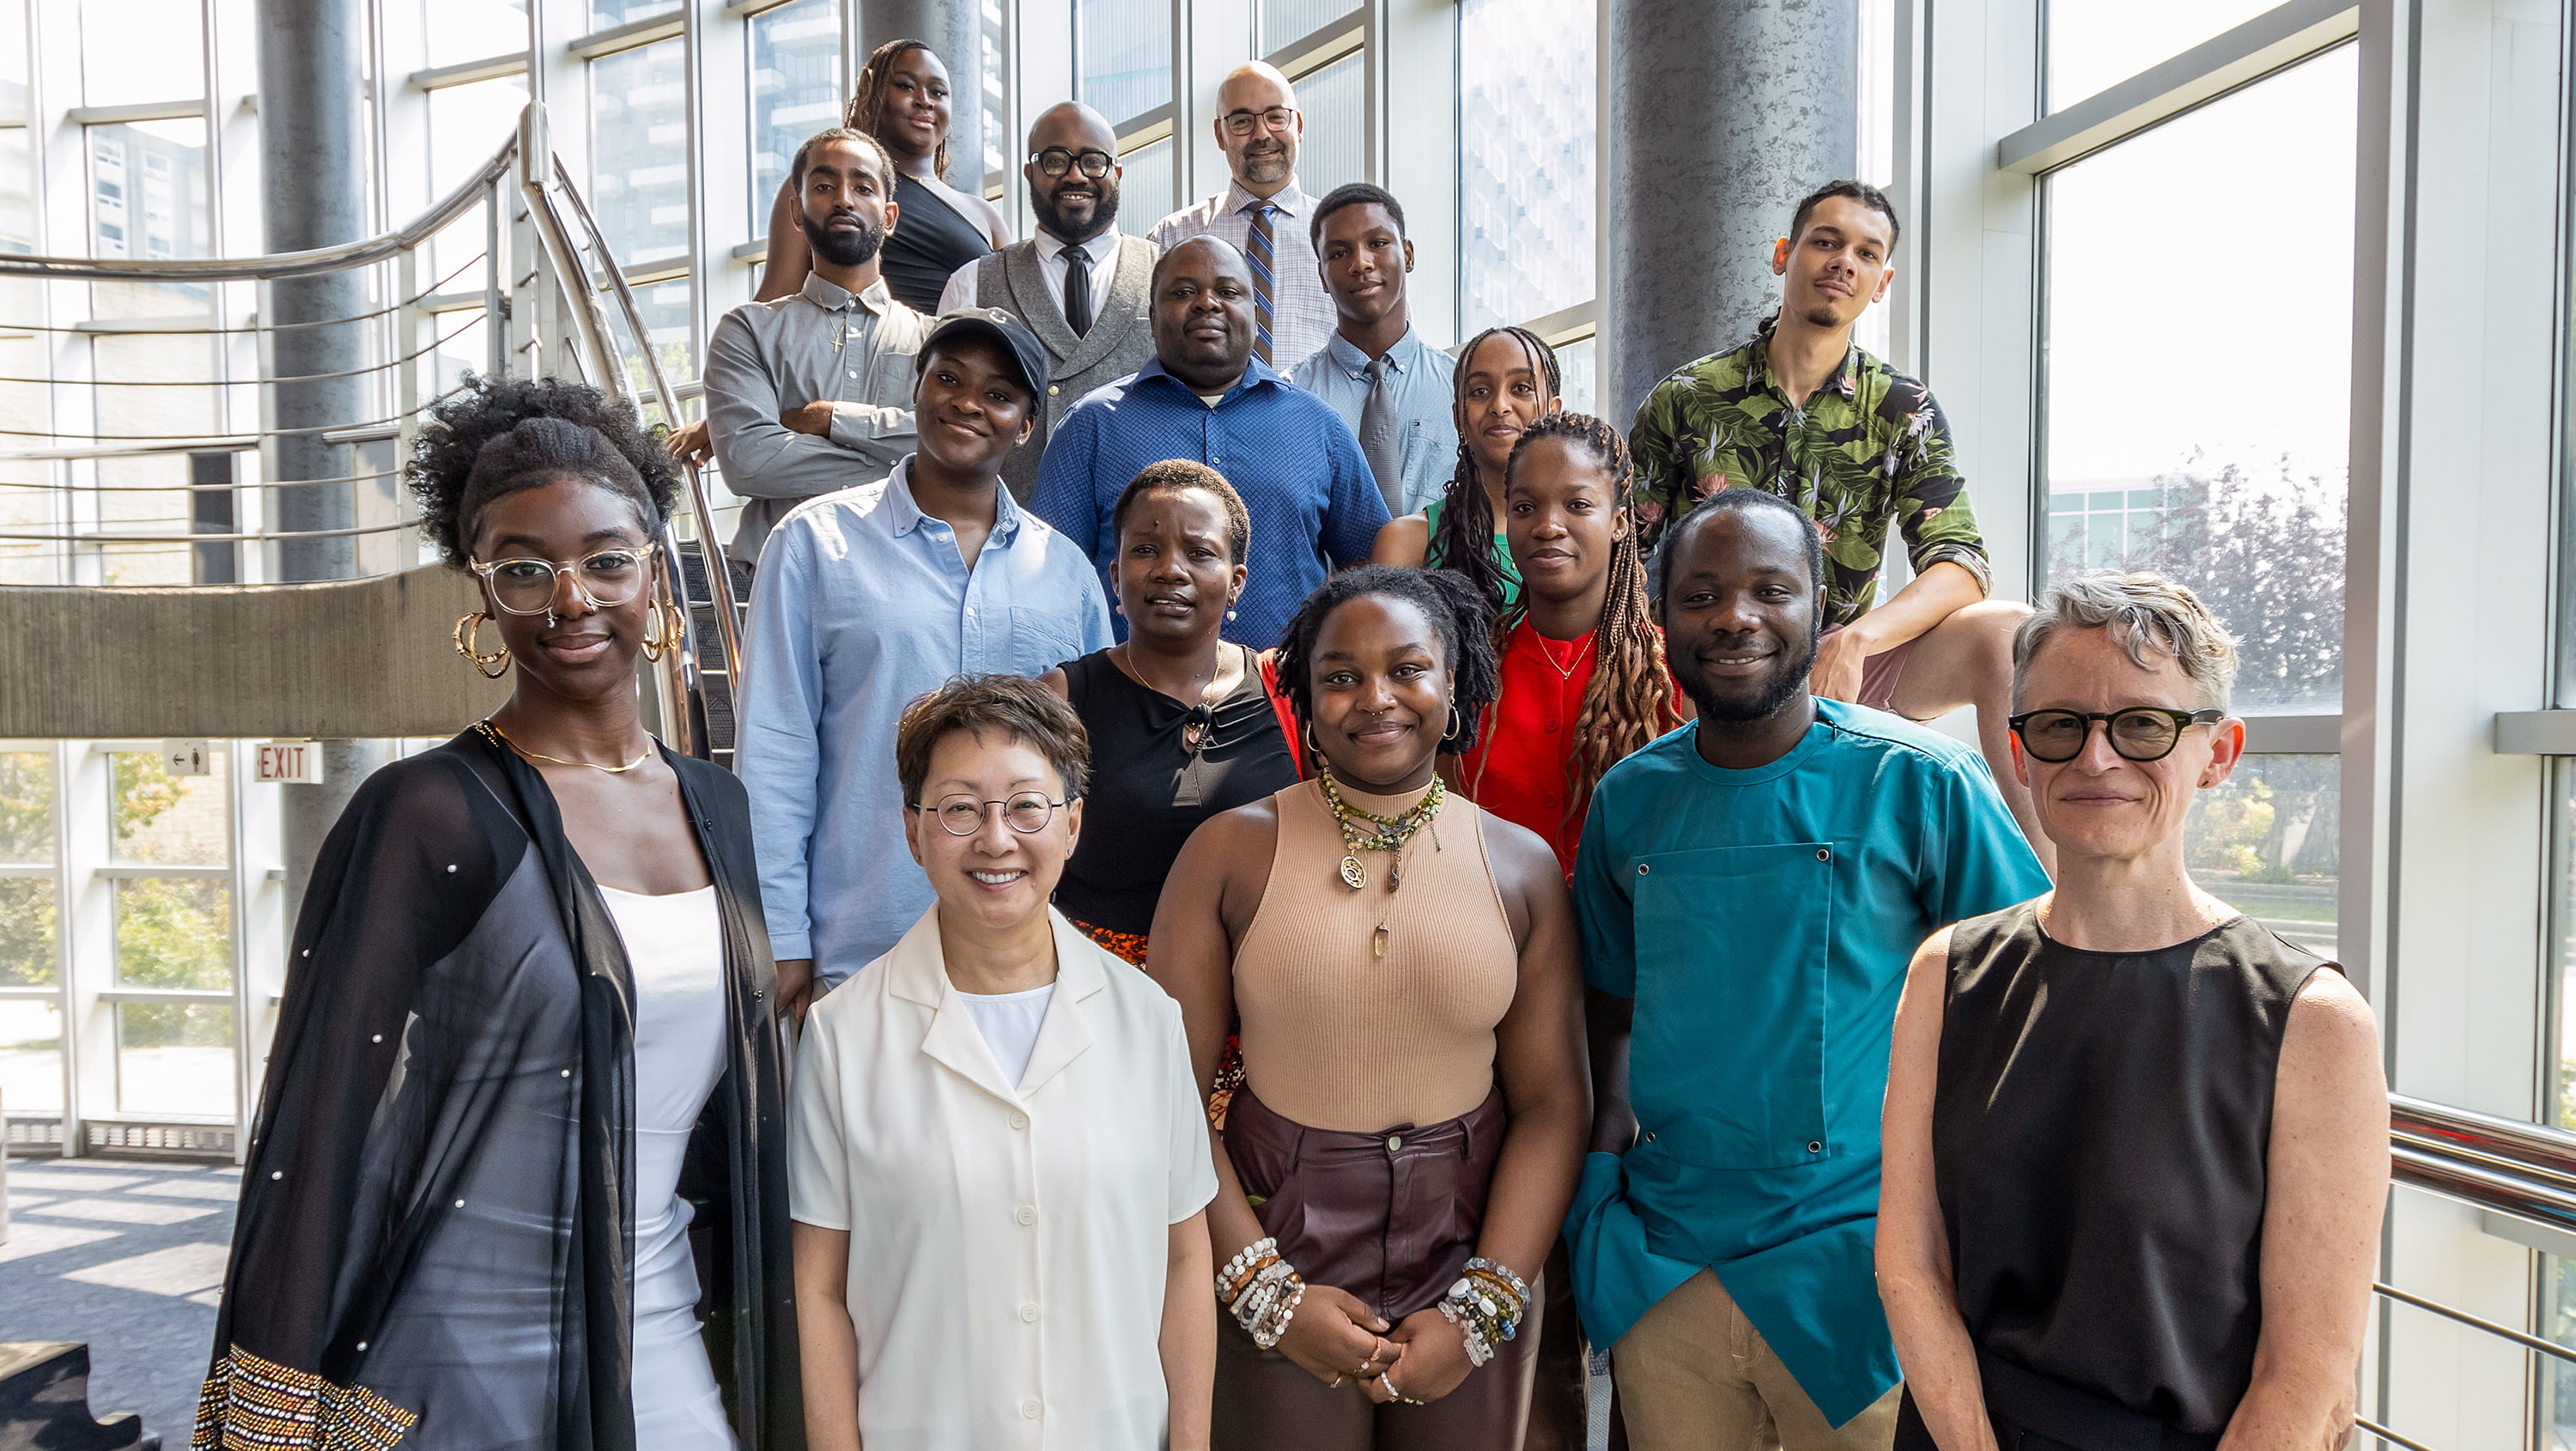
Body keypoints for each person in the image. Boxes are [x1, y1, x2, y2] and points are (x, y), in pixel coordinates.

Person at [196, 377, 799, 1451]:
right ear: (484, 595)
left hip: (666, 1334)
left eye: (606, 559)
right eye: (525, 568)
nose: (571, 598)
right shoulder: (424, 813)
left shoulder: (721, 806)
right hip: (460, 1367)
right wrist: (268, 1426)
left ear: (655, 572)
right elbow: (320, 1127)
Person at [1566, 490, 2050, 1451]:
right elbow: (1609, 1017)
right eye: (1700, 594)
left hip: (1862, 1276)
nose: (1734, 615)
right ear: (1663, 619)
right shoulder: (1629, 802)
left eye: (1768, 589)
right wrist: (1599, 1194)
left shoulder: (1920, 782)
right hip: (1670, 1268)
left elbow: (2028, 1009)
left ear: (1819, 611)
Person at [1878, 573, 2385, 1451]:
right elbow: (1911, 1266)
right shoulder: (1945, 972)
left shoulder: (2312, 1021)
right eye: (2062, 725)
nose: (2097, 758)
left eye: (2143, 725)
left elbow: (2310, 1369)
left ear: (2218, 753)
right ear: (2021, 751)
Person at [1151, 566, 1591, 1450]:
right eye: (1341, 675)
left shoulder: (1521, 865)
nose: (1375, 698)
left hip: (1471, 1240)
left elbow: (1554, 1104)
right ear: (1304, 700)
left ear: (1452, 681)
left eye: (1406, 669)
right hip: (1276, 1234)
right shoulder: (1228, 854)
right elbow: (1161, 1099)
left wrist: (1484, 1301)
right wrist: (1263, 1291)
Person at [789, 674, 1218, 1451]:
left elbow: (1185, 1259)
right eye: (960, 808)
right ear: (914, 831)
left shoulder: (1146, 1020)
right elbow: (819, 1289)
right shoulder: (843, 1037)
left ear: (1073, 824)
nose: (996, 840)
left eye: (1027, 806)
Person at [1625, 180, 2044, 862]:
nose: (1843, 261)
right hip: (1710, 663)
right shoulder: (1687, 399)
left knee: (2006, 634)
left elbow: (1961, 560)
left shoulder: (1902, 407)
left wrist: (1858, 640)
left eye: (1865, 251)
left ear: (1881, 282)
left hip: (1839, 668)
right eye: (1826, 241)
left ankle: (2046, 899)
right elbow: (1625, 554)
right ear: (1784, 255)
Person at [738, 312, 1111, 995]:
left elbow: (1088, 771)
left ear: (1026, 426)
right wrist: (780, 935)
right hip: (858, 950)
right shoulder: (813, 546)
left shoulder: (1065, 573)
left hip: (1029, 959)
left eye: (999, 394)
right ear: (916, 392)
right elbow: (775, 752)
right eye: (948, 378)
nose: (967, 402)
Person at [1032, 236, 1386, 650]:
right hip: (1128, 698)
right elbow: (1052, 582)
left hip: (1282, 702)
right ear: (1152, 315)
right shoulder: (1091, 425)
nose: (1206, 303)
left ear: (1255, 313)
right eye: (1183, 292)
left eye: (1227, 291)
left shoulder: (1318, 426)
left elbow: (1370, 572)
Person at [1037, 461, 1298, 965]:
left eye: (1200, 553)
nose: (1170, 569)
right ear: (1115, 576)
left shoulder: (1288, 692)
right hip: (1105, 992)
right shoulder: (1062, 699)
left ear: (1237, 581)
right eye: (1145, 550)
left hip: (1262, 994)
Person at [1455, 412, 1686, 878]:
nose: (1548, 526)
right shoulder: (1467, 673)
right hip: (1494, 936)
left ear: (1620, 522)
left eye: (1577, 505)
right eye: (1525, 507)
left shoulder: (1676, 674)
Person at [704, 127, 931, 564]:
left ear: (889, 216)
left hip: (905, 572)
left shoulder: (934, 338)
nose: (843, 199)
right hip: (777, 576)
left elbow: (950, 447)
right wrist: (901, 464)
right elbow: (747, 461)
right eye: (824, 186)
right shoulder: (747, 330)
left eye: (862, 187)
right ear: (797, 211)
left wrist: (829, 420)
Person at [937, 101, 1162, 501]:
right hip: (1008, 539)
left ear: (1118, 173)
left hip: (1142, 540)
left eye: (1094, 161)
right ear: (1030, 172)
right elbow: (942, 420)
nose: (1076, 175)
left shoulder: (1167, 275)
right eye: (1056, 161)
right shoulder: (971, 282)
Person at [764, 39, 1007, 313]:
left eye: (938, 92)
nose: (924, 101)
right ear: (874, 92)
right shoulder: (821, 185)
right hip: (852, 350)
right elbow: (775, 300)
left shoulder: (987, 216)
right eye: (905, 86)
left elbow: (1019, 320)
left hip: (961, 352)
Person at [1370, 326, 1562, 622]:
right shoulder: (1407, 544)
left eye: (1521, 388)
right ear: (1458, 415)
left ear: (1554, 411)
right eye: (1480, 391)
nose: (1499, 406)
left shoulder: (1584, 536)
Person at [1286, 184, 1457, 518]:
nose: (1360, 263)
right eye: (1338, 253)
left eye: (1377, 244)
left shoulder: (1461, 388)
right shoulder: (1291, 397)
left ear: (1407, 255)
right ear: (1321, 274)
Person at [1149, 62, 1332, 372]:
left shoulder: (1339, 237)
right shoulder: (1172, 237)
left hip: (1313, 418)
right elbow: (1145, 349)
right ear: (1220, 135)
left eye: (1276, 117)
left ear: (1298, 125)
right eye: (1242, 121)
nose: (1261, 134)